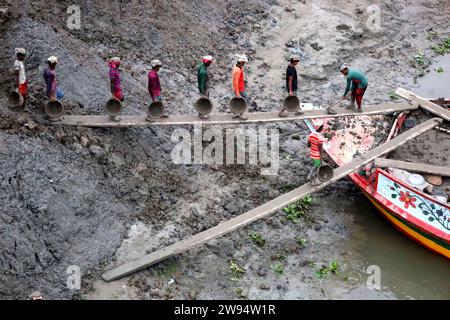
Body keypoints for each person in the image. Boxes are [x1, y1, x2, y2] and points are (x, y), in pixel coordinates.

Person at [232, 54, 258, 120]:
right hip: (240, 89)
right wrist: (238, 93)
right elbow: (235, 81)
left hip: (237, 88)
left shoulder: (235, 67)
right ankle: (242, 115)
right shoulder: (238, 70)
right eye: (243, 63)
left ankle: (235, 114)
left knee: (238, 101)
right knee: (244, 102)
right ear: (241, 62)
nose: (244, 64)